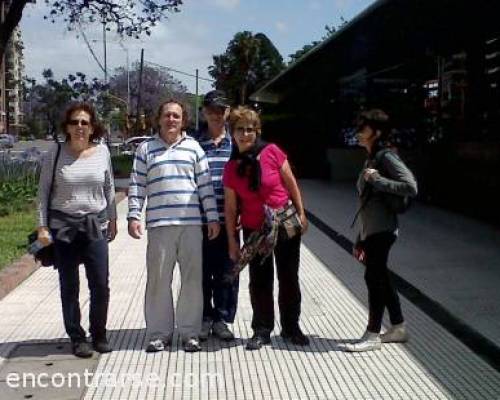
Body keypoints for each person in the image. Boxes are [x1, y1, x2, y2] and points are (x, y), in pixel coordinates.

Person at [128, 99, 220, 353]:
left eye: (176, 116)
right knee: (158, 281)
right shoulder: (145, 149)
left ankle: (189, 333)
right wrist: (134, 216)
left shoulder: (194, 149)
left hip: (191, 226)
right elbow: (137, 186)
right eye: (167, 115)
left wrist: (212, 217)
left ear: (183, 121)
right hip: (159, 226)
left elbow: (205, 186)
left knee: (192, 280)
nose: (171, 120)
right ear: (159, 118)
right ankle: (159, 333)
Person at [223, 106, 309, 351]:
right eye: (240, 129)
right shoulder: (231, 168)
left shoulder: (272, 152)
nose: (246, 134)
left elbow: (291, 183)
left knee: (289, 276)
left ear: (257, 131)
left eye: (250, 129)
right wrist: (232, 240)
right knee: (260, 280)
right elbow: (230, 208)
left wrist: (302, 214)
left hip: (284, 222)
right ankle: (262, 329)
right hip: (254, 229)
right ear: (233, 133)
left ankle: (291, 327)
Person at [36, 102, 117, 358]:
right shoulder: (56, 153)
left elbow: (109, 188)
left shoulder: (102, 151)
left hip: (95, 226)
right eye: (75, 122)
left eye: (85, 122)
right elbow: (43, 193)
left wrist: (113, 220)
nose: (80, 127)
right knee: (69, 286)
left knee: (100, 285)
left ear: (92, 126)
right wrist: (42, 226)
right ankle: (77, 336)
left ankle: (99, 333)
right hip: (64, 228)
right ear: (67, 127)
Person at [344, 109, 418, 352]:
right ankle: (398, 327)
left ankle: (373, 334)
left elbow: (410, 186)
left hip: (383, 229)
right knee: (381, 276)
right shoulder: (372, 157)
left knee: (373, 277)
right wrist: (361, 236)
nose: (358, 132)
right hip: (372, 229)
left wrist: (378, 180)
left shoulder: (385, 157)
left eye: (363, 128)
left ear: (376, 132)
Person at [196, 90, 238, 341]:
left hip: (230, 221)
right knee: (200, 272)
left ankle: (222, 319)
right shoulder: (192, 143)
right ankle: (204, 317)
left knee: (227, 272)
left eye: (220, 110)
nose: (215, 114)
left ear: (228, 112)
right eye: (211, 109)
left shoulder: (236, 143)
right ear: (203, 112)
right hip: (199, 221)